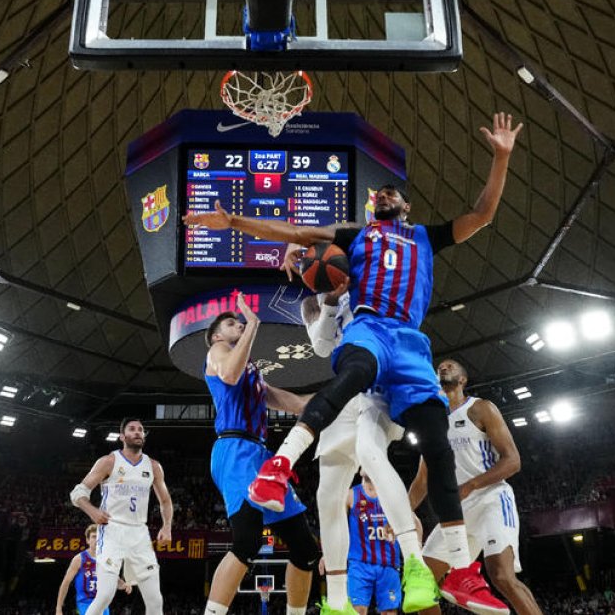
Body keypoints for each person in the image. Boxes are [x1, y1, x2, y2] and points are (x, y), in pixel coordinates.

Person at [184, 112, 524, 606]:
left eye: (391, 193)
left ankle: (433, 563)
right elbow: (300, 248)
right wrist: (241, 226)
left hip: (395, 356)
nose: (382, 196)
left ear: (404, 205)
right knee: (329, 487)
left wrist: (501, 157)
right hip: (356, 356)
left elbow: (481, 214)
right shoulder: (343, 263)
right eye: (376, 195)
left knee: (398, 447)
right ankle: (337, 590)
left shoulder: (421, 239)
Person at [303, 284, 446, 614]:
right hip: (343, 391)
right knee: (327, 495)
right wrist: (329, 300)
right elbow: (322, 347)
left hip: (378, 381)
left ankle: (415, 564)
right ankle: (337, 600)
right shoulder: (312, 299)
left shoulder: (376, 277)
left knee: (370, 452)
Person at [202, 293, 319, 615]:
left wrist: (346, 388)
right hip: (234, 448)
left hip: (260, 454)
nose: (237, 324)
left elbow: (297, 404)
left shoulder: (254, 374)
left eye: (239, 321)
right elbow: (228, 374)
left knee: (306, 550)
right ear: (216, 335)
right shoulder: (218, 351)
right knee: (247, 541)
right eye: (231, 323)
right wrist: (252, 324)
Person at [409, 359, 540, 615]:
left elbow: (513, 461)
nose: (443, 367)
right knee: (421, 583)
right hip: (456, 511)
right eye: (440, 367)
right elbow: (422, 480)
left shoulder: (481, 409)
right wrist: (399, 517)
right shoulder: (432, 423)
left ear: (463, 379)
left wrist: (471, 485)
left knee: (501, 575)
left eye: (451, 366)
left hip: (491, 497)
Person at [69, 418, 173, 615]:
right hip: (112, 531)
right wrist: (92, 511)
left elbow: (165, 501)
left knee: (155, 600)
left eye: (141, 430)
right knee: (105, 595)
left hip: (139, 533)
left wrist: (166, 526)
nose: (137, 432)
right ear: (123, 436)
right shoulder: (109, 461)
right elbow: (77, 493)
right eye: (132, 429)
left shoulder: (153, 466)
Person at [345, 472, 408, 615]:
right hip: (359, 564)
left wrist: (416, 547)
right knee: (357, 611)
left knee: (389, 612)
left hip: (388, 564)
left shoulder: (393, 495)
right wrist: (328, 554)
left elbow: (414, 521)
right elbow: (335, 525)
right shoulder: (350, 495)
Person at [55, 525, 130, 615]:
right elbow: (66, 583)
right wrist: (58, 608)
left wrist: (124, 585)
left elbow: (114, 579)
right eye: (94, 537)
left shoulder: (107, 559)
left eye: (99, 537)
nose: (97, 539)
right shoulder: (79, 559)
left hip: (102, 604)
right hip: (84, 603)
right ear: (88, 540)